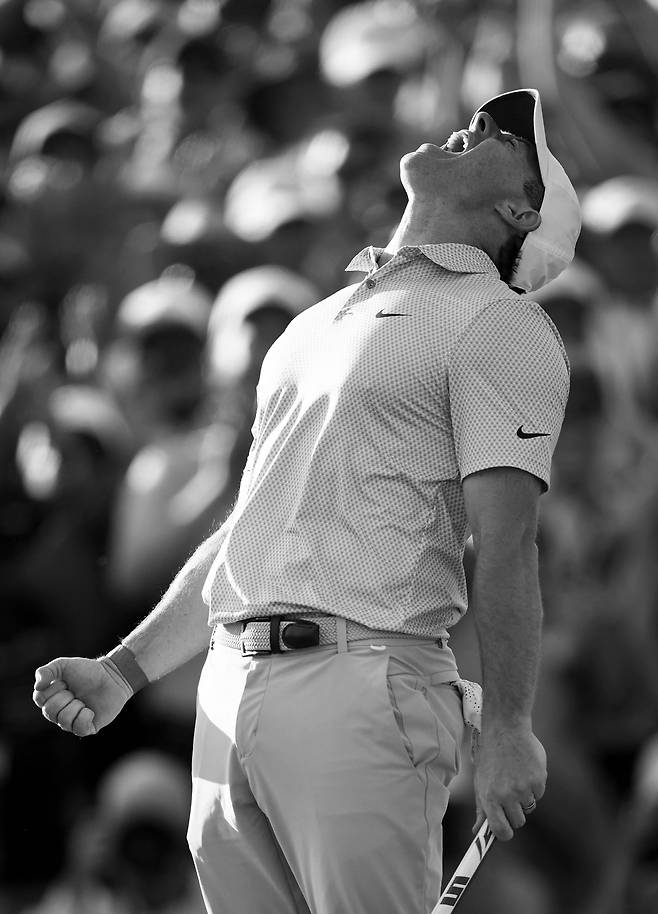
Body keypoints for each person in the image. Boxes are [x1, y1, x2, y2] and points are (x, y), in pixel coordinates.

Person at [33, 88, 581, 914]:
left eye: (505, 137)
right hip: (229, 686)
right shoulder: (313, 323)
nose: (475, 124)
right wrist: (125, 668)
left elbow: (507, 542)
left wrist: (507, 726)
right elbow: (249, 532)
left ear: (520, 211)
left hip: (364, 685)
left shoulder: (503, 323)